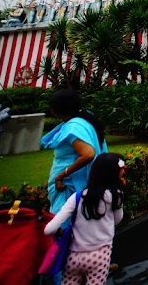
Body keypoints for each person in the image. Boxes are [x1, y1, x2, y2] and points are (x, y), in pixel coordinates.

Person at [44, 153, 125, 285]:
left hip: (73, 257)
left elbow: (48, 230)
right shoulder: (115, 196)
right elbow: (117, 220)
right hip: (100, 256)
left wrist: (59, 232)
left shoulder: (76, 197)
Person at [41, 90, 108, 219]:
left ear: (55, 110)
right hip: (84, 183)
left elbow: (88, 154)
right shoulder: (86, 118)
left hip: (70, 185)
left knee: (63, 223)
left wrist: (61, 175)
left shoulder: (73, 128)